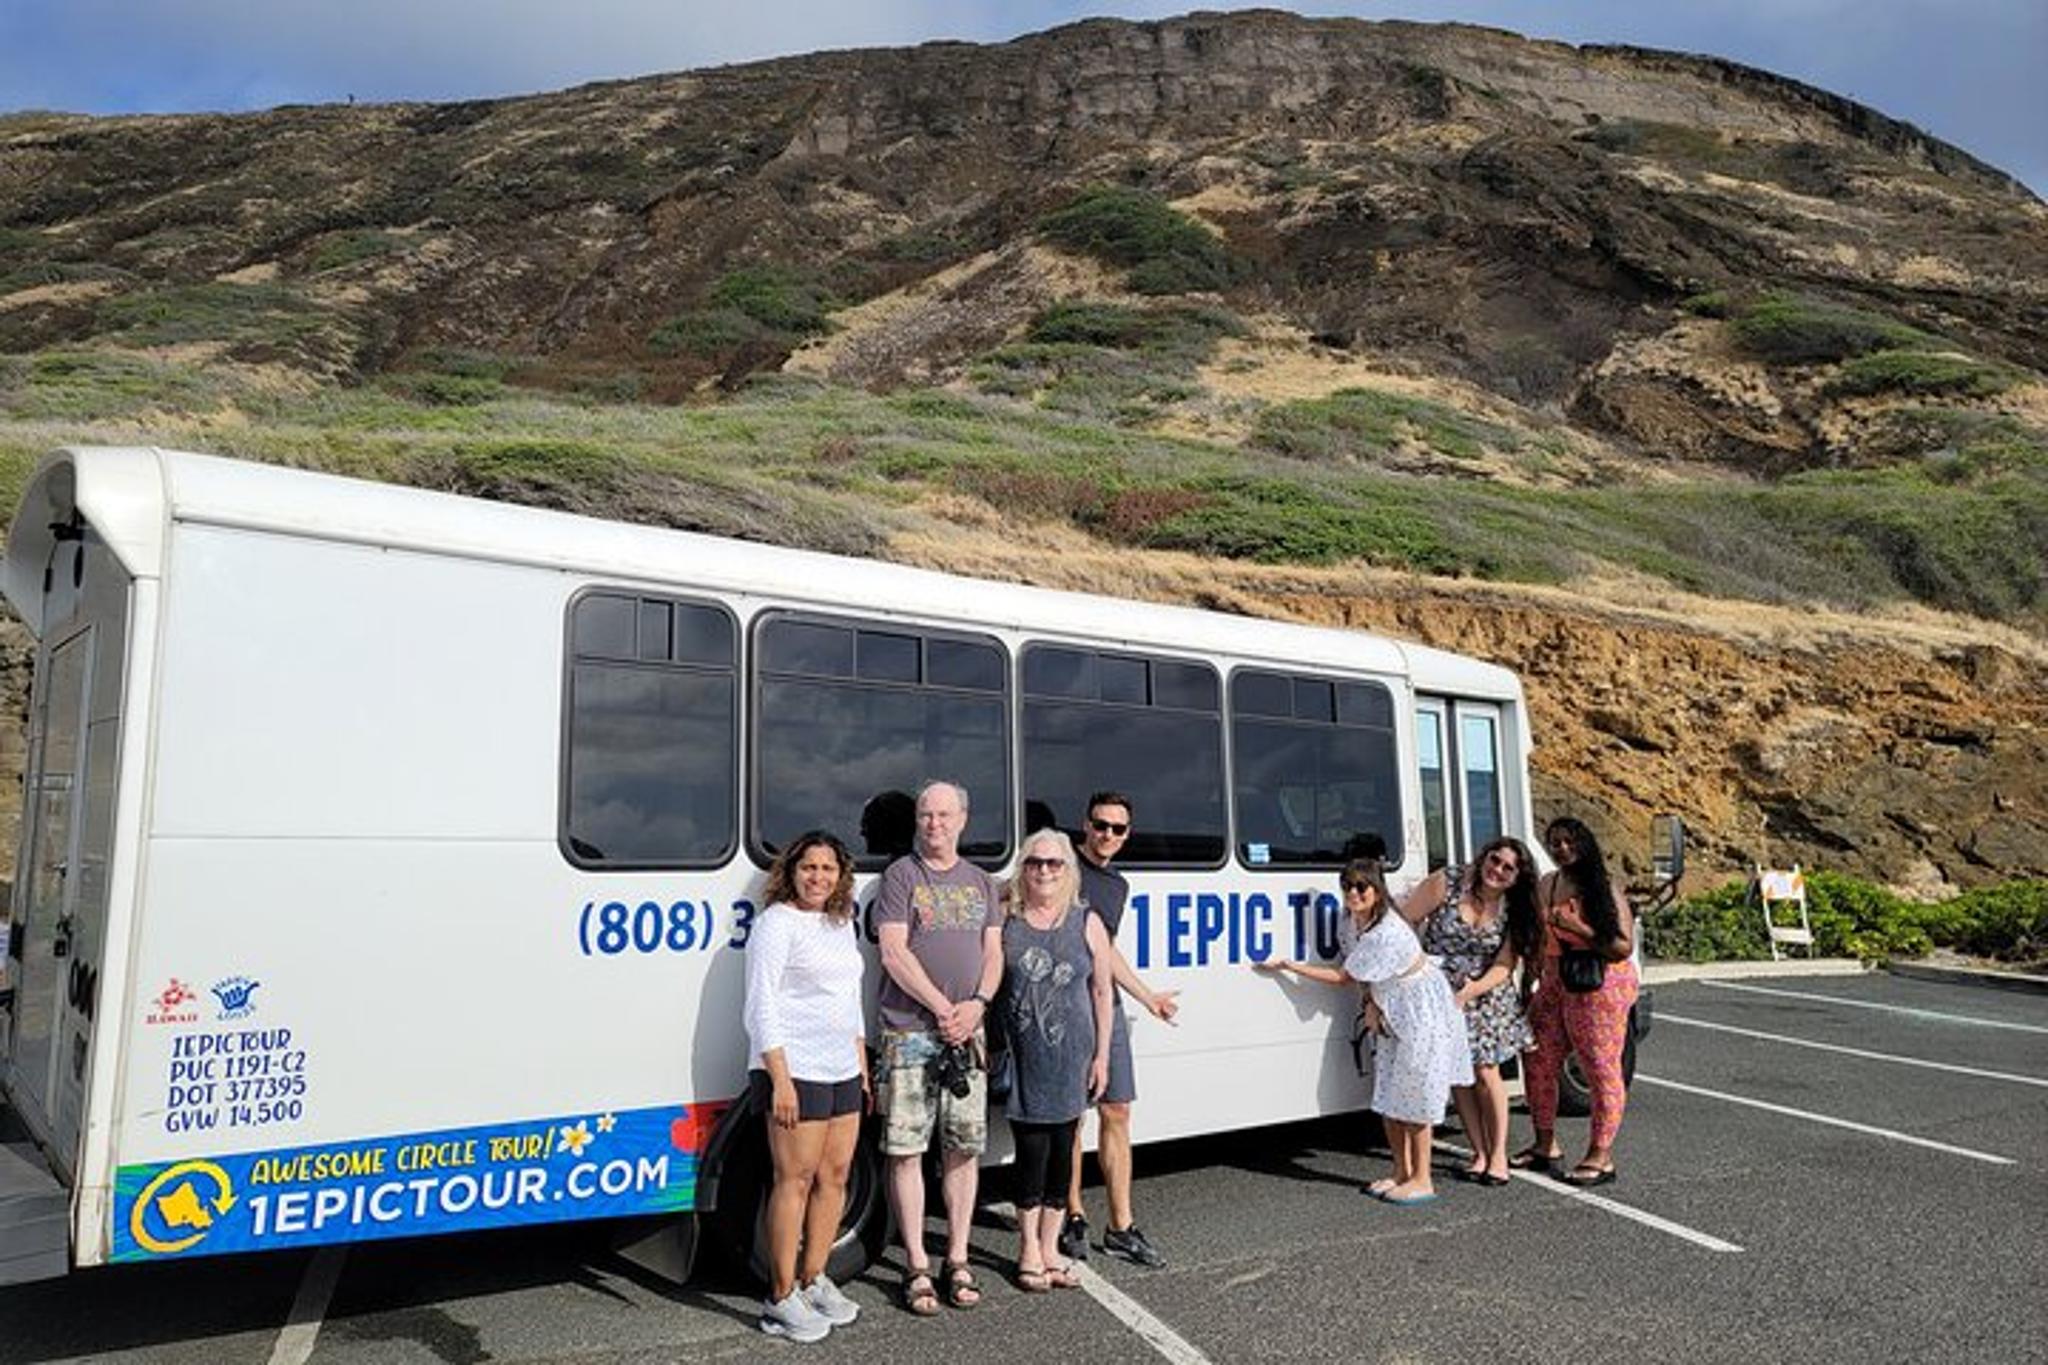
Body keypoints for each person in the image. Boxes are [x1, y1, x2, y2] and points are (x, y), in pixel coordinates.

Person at [1258, 858, 1472, 1204]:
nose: (1353, 893)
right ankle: (1401, 1172)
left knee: (1416, 1095)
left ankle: (1422, 1178)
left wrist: (1288, 965)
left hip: (1420, 1011)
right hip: (1392, 1009)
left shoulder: (1385, 932)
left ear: (1377, 890)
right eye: (1348, 886)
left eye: (1362, 887)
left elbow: (1345, 977)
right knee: (1389, 1093)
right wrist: (1373, 1005)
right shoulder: (1355, 922)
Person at [873, 780, 1003, 1315]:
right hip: (909, 1032)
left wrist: (976, 1004)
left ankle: (957, 1257)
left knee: (962, 1150)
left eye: (944, 815)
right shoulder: (901, 875)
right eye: (926, 815)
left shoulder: (982, 882)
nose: (934, 824)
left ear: (963, 819)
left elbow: (994, 952)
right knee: (905, 1152)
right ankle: (917, 1265)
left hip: (967, 1032)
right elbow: (893, 952)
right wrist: (943, 1008)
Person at [743, 831, 869, 1343]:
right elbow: (760, 1005)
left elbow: (849, 996)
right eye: (809, 867)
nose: (818, 877)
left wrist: (861, 1063)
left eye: (828, 869)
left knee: (834, 1177)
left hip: (842, 1067)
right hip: (796, 1068)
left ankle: (815, 1278)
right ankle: (779, 1296)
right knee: (792, 1180)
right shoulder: (776, 924)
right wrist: (780, 1078)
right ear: (791, 872)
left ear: (841, 876)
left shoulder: (839, 923)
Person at [1060, 792, 1180, 1269]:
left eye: (1118, 829)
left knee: (1117, 1110)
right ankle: (1073, 1216)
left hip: (1104, 1004)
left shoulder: (1117, 886)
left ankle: (1121, 1226)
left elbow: (1105, 951)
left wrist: (1147, 996)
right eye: (1101, 825)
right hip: (1065, 1006)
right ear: (1084, 825)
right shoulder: (1059, 865)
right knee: (1071, 1117)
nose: (1108, 835)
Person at [995, 828, 1116, 1290]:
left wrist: (1102, 1056)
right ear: (1022, 868)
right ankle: (1027, 1249)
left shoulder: (1086, 921)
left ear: (1068, 871)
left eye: (1053, 864)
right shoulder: (1007, 919)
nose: (1044, 871)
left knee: (1063, 1157)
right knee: (1031, 1154)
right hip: (1026, 1059)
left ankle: (1049, 1249)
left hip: (1074, 1059)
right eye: (1034, 862)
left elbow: (1102, 991)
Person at [1399, 837, 1539, 1185]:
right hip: (1440, 989)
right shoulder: (1446, 882)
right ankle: (1478, 1151)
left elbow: (1506, 963)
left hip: (1487, 993)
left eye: (1509, 868)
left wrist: (1471, 990)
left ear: (1517, 877)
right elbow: (1404, 922)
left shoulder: (1513, 906)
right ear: (1483, 857)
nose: (1498, 870)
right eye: (1495, 860)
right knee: (1458, 1073)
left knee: (1486, 1071)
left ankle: (1498, 1156)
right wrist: (1414, 969)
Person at [1516, 816, 1638, 1187]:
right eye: (1554, 842)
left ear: (1584, 843)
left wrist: (1578, 928)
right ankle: (1544, 1144)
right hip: (1554, 979)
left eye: (1570, 841)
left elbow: (1622, 946)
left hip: (1597, 982)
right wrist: (1529, 976)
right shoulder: (1548, 884)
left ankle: (1601, 1156)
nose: (1562, 848)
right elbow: (1537, 936)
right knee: (1537, 1057)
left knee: (1599, 1067)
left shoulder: (1602, 887)